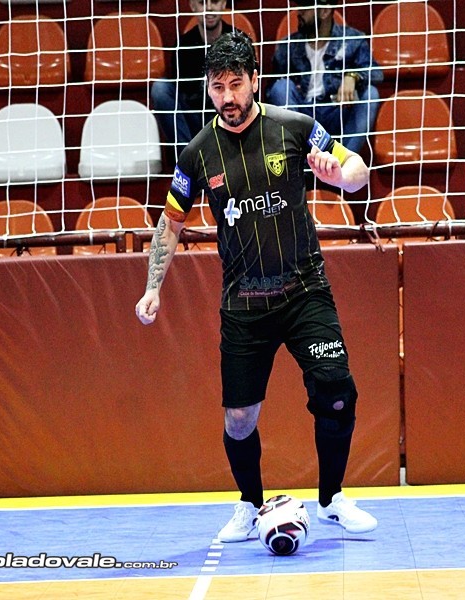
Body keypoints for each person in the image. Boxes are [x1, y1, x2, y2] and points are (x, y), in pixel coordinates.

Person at [135, 31, 377, 542]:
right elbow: (172, 221)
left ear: (254, 81)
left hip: (304, 289)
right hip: (244, 301)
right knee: (240, 418)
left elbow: (356, 170)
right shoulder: (198, 153)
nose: (227, 97)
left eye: (235, 85)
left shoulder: (294, 127)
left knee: (336, 393)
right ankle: (249, 504)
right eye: (217, 87)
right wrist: (153, 285)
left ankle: (331, 500)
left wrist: (340, 175)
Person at [266, 0, 382, 154]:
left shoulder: (352, 40)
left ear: (325, 11)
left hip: (337, 111)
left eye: (305, 7)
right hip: (303, 116)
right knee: (281, 88)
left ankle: (344, 162)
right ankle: (300, 160)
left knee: (370, 94)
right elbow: (271, 91)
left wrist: (353, 76)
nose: (299, 12)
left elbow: (377, 73)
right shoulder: (288, 45)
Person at [151, 0, 246, 158]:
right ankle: (188, 160)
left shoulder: (239, 42)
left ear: (223, 4)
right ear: (193, 6)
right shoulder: (183, 46)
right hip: (194, 118)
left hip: (228, 116)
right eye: (202, 3)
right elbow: (183, 94)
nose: (209, 8)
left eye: (214, 1)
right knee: (161, 88)